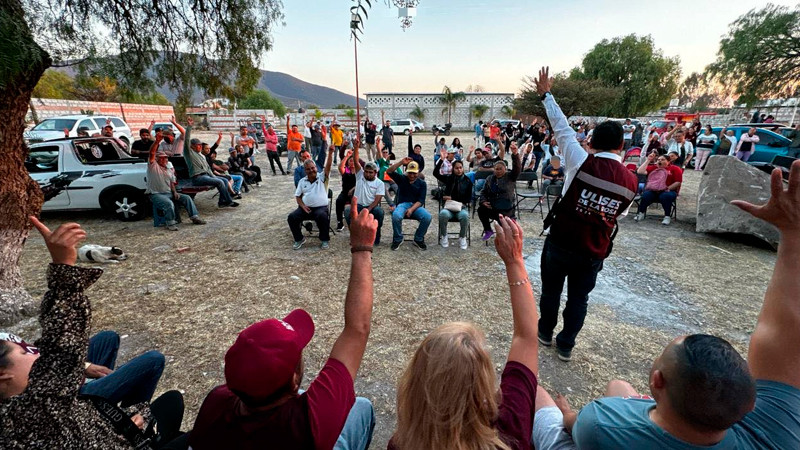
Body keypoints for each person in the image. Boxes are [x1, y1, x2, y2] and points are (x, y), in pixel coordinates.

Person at [535, 161, 800, 450]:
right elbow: (782, 331)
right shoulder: (778, 434)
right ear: (750, 404)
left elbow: (574, 424)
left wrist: (569, 414)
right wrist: (794, 233)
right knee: (619, 387)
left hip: (602, 432)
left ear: (657, 381)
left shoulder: (602, 426)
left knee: (537, 395)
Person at [189, 198, 379, 450]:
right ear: (293, 380)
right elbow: (357, 330)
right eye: (297, 351)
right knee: (362, 406)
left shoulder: (216, 401)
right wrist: (362, 249)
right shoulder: (310, 421)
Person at [0, 217, 185, 449]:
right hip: (108, 430)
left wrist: (85, 367)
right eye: (26, 351)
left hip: (91, 414)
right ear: (2, 375)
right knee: (161, 377)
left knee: (108, 338)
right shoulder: (32, 413)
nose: (37, 353)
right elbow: (61, 352)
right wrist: (64, 271)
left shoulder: (35, 405)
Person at [389, 216, 539, 449]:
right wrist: (514, 261)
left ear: (416, 381)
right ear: (482, 385)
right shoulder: (509, 429)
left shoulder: (401, 444)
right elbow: (527, 337)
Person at [534, 66, 638, 362]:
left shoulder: (579, 160)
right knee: (579, 298)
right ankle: (566, 344)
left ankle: (544, 332)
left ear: (591, 142)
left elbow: (561, 127)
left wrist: (546, 94)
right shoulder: (631, 181)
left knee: (551, 291)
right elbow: (621, 215)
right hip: (593, 250)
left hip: (561, 241)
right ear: (621, 146)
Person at [146, 133, 206, 230]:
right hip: (156, 194)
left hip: (169, 192)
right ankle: (170, 223)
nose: (164, 159)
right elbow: (152, 153)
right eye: (161, 157)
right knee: (168, 204)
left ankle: (194, 217)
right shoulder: (153, 166)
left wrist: (174, 192)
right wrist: (157, 141)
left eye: (165, 157)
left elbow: (172, 182)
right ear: (157, 159)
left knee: (186, 198)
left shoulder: (168, 169)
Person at [288, 146, 335, 250]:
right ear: (305, 170)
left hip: (321, 207)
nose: (311, 170)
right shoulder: (302, 181)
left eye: (313, 168)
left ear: (316, 168)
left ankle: (324, 240)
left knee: (322, 216)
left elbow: (328, 166)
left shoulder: (322, 177)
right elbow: (298, 197)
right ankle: (299, 239)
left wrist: (331, 153)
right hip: (306, 208)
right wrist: (303, 206)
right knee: (292, 217)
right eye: (308, 169)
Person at [183, 121, 238, 207]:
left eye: (200, 145)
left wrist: (214, 176)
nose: (200, 147)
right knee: (219, 181)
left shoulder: (201, 155)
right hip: (198, 178)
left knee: (224, 180)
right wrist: (189, 127)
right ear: (192, 146)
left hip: (206, 176)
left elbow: (208, 169)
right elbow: (186, 140)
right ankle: (228, 201)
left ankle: (221, 202)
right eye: (198, 145)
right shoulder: (189, 153)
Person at [478, 138, 520, 241]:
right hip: (493, 207)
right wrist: (483, 201)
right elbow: (483, 192)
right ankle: (488, 230)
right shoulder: (490, 179)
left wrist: (515, 155)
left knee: (507, 234)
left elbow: (517, 168)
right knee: (481, 210)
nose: (498, 171)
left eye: (500, 169)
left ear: (505, 169)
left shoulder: (510, 177)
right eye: (496, 169)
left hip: (506, 209)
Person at [344, 143, 385, 245]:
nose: (367, 174)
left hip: (371, 206)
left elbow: (377, 200)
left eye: (371, 172)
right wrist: (356, 148)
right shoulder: (360, 176)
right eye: (366, 171)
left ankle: (375, 235)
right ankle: (354, 235)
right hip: (358, 205)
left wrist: (368, 209)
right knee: (348, 210)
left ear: (375, 173)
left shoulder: (380, 183)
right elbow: (356, 161)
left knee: (379, 212)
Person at [387, 158, 430, 250]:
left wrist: (411, 209)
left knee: (427, 217)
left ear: (418, 173)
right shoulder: (402, 179)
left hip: (416, 206)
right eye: (410, 172)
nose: (412, 175)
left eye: (414, 173)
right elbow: (389, 172)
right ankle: (398, 238)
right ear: (407, 172)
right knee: (396, 216)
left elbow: (421, 200)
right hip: (402, 204)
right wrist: (401, 162)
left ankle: (418, 238)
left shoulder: (422, 184)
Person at [433, 156, 473, 249]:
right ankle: (444, 235)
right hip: (449, 207)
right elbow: (435, 173)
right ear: (453, 169)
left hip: (461, 207)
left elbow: (468, 199)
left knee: (465, 216)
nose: (459, 170)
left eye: (460, 168)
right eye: (456, 168)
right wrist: (441, 160)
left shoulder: (468, 181)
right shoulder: (449, 179)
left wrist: (452, 197)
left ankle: (462, 237)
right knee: (443, 214)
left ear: (463, 168)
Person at [634, 153, 683, 225]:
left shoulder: (675, 169)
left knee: (665, 196)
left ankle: (667, 216)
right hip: (653, 190)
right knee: (646, 195)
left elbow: (678, 182)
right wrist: (648, 160)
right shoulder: (654, 167)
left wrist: (667, 188)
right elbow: (640, 171)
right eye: (658, 160)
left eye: (663, 160)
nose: (660, 161)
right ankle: (641, 213)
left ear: (668, 161)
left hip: (668, 190)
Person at [335, 150, 359, 232]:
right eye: (350, 161)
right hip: (345, 193)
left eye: (353, 161)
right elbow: (340, 167)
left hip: (355, 193)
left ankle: (355, 221)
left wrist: (352, 189)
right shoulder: (346, 171)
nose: (352, 163)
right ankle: (340, 222)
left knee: (354, 202)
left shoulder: (358, 172)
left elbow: (361, 183)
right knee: (339, 201)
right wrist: (347, 156)